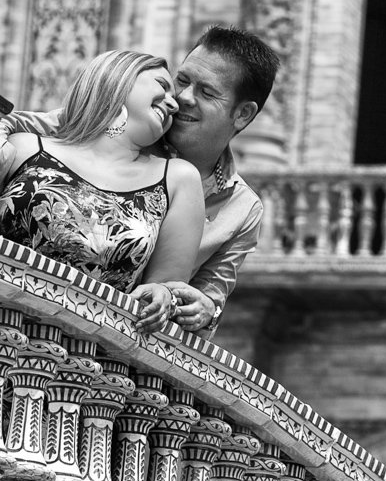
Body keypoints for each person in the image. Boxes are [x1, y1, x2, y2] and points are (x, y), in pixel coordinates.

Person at [1, 25, 279, 334]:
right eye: (182, 80)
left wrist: (202, 309)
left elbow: (204, 301)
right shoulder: (118, 129)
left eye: (207, 92)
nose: (182, 97)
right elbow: (21, 123)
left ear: (242, 114)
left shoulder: (241, 208)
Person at [0, 51, 204, 333]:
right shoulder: (25, 149)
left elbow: (168, 285)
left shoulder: (176, 179)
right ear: (119, 77)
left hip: (84, 356)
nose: (173, 104)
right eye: (161, 85)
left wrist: (163, 296)